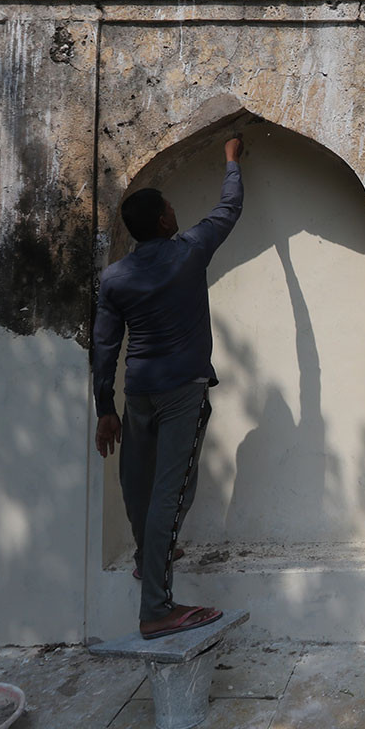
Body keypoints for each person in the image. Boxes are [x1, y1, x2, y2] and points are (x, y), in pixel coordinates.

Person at [92, 134, 246, 640]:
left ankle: (148, 554)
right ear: (162, 221)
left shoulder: (115, 277)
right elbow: (230, 207)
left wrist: (105, 408)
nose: (177, 211)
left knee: (137, 483)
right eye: (171, 207)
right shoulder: (188, 251)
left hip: (138, 391)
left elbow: (105, 346)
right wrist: (230, 160)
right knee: (170, 490)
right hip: (183, 389)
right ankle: (157, 609)